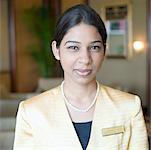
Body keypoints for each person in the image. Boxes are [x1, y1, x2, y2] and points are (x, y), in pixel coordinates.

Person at [13, 4, 149, 150]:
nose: (85, 59)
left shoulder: (129, 106)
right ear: (56, 50)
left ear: (104, 51)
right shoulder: (32, 111)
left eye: (94, 47)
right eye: (73, 47)